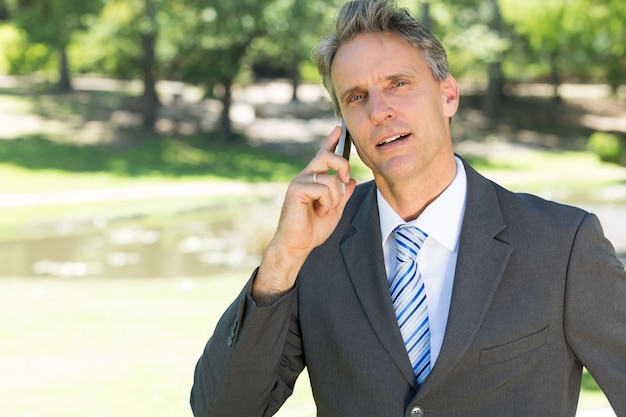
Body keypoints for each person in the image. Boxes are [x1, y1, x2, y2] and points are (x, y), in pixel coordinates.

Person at [190, 0, 626, 415]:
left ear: (448, 95)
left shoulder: (562, 246)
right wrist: (283, 259)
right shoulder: (314, 249)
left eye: (398, 84)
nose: (380, 111)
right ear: (343, 129)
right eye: (357, 97)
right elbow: (222, 410)